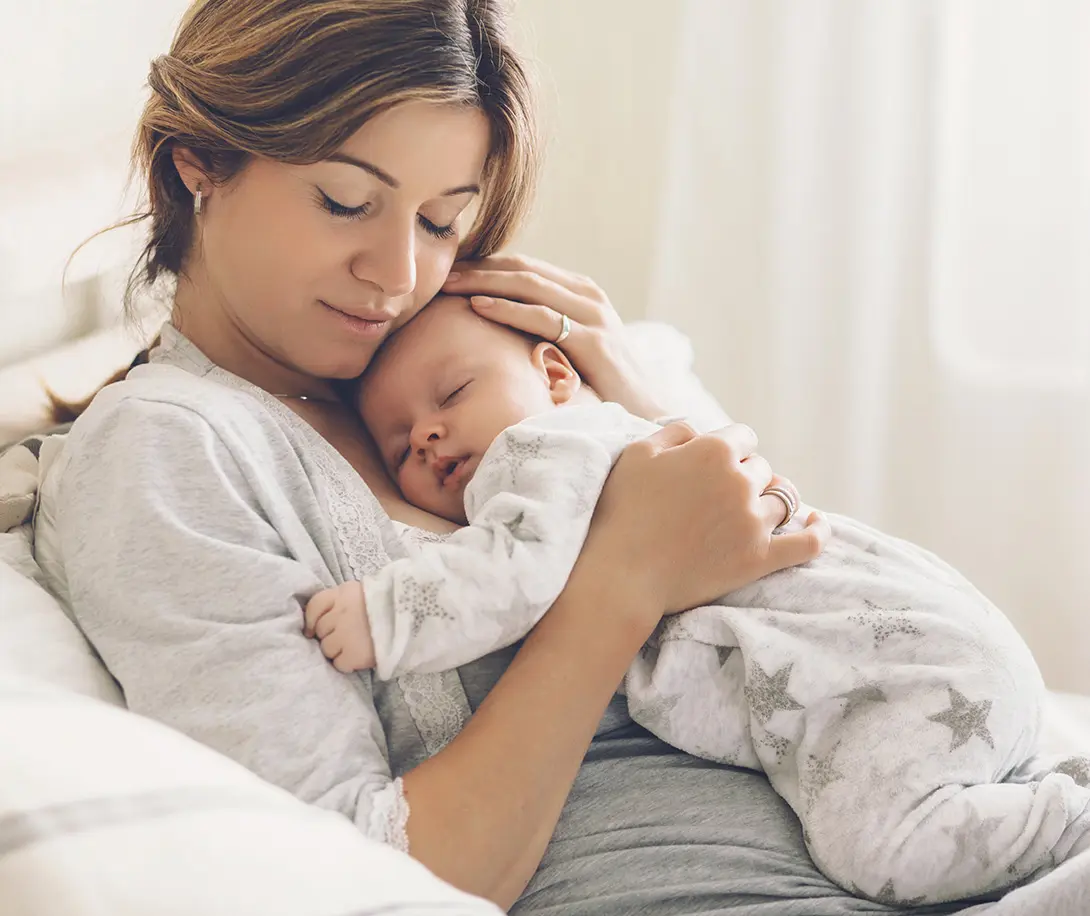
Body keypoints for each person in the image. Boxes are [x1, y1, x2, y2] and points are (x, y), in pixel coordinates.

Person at [30, 1, 1090, 913]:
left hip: (927, 816)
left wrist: (635, 394)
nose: (394, 272)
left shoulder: (436, 351)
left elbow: (779, 585)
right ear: (199, 162)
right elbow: (356, 867)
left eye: (444, 221)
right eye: (345, 201)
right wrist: (622, 577)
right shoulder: (167, 452)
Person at [305, 294, 1090, 905]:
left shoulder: (545, 452)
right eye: (402, 443)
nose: (430, 436)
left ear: (553, 374)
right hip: (925, 658)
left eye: (452, 394)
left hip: (893, 674)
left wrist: (389, 613)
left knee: (886, 850)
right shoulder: (624, 446)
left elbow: (509, 576)